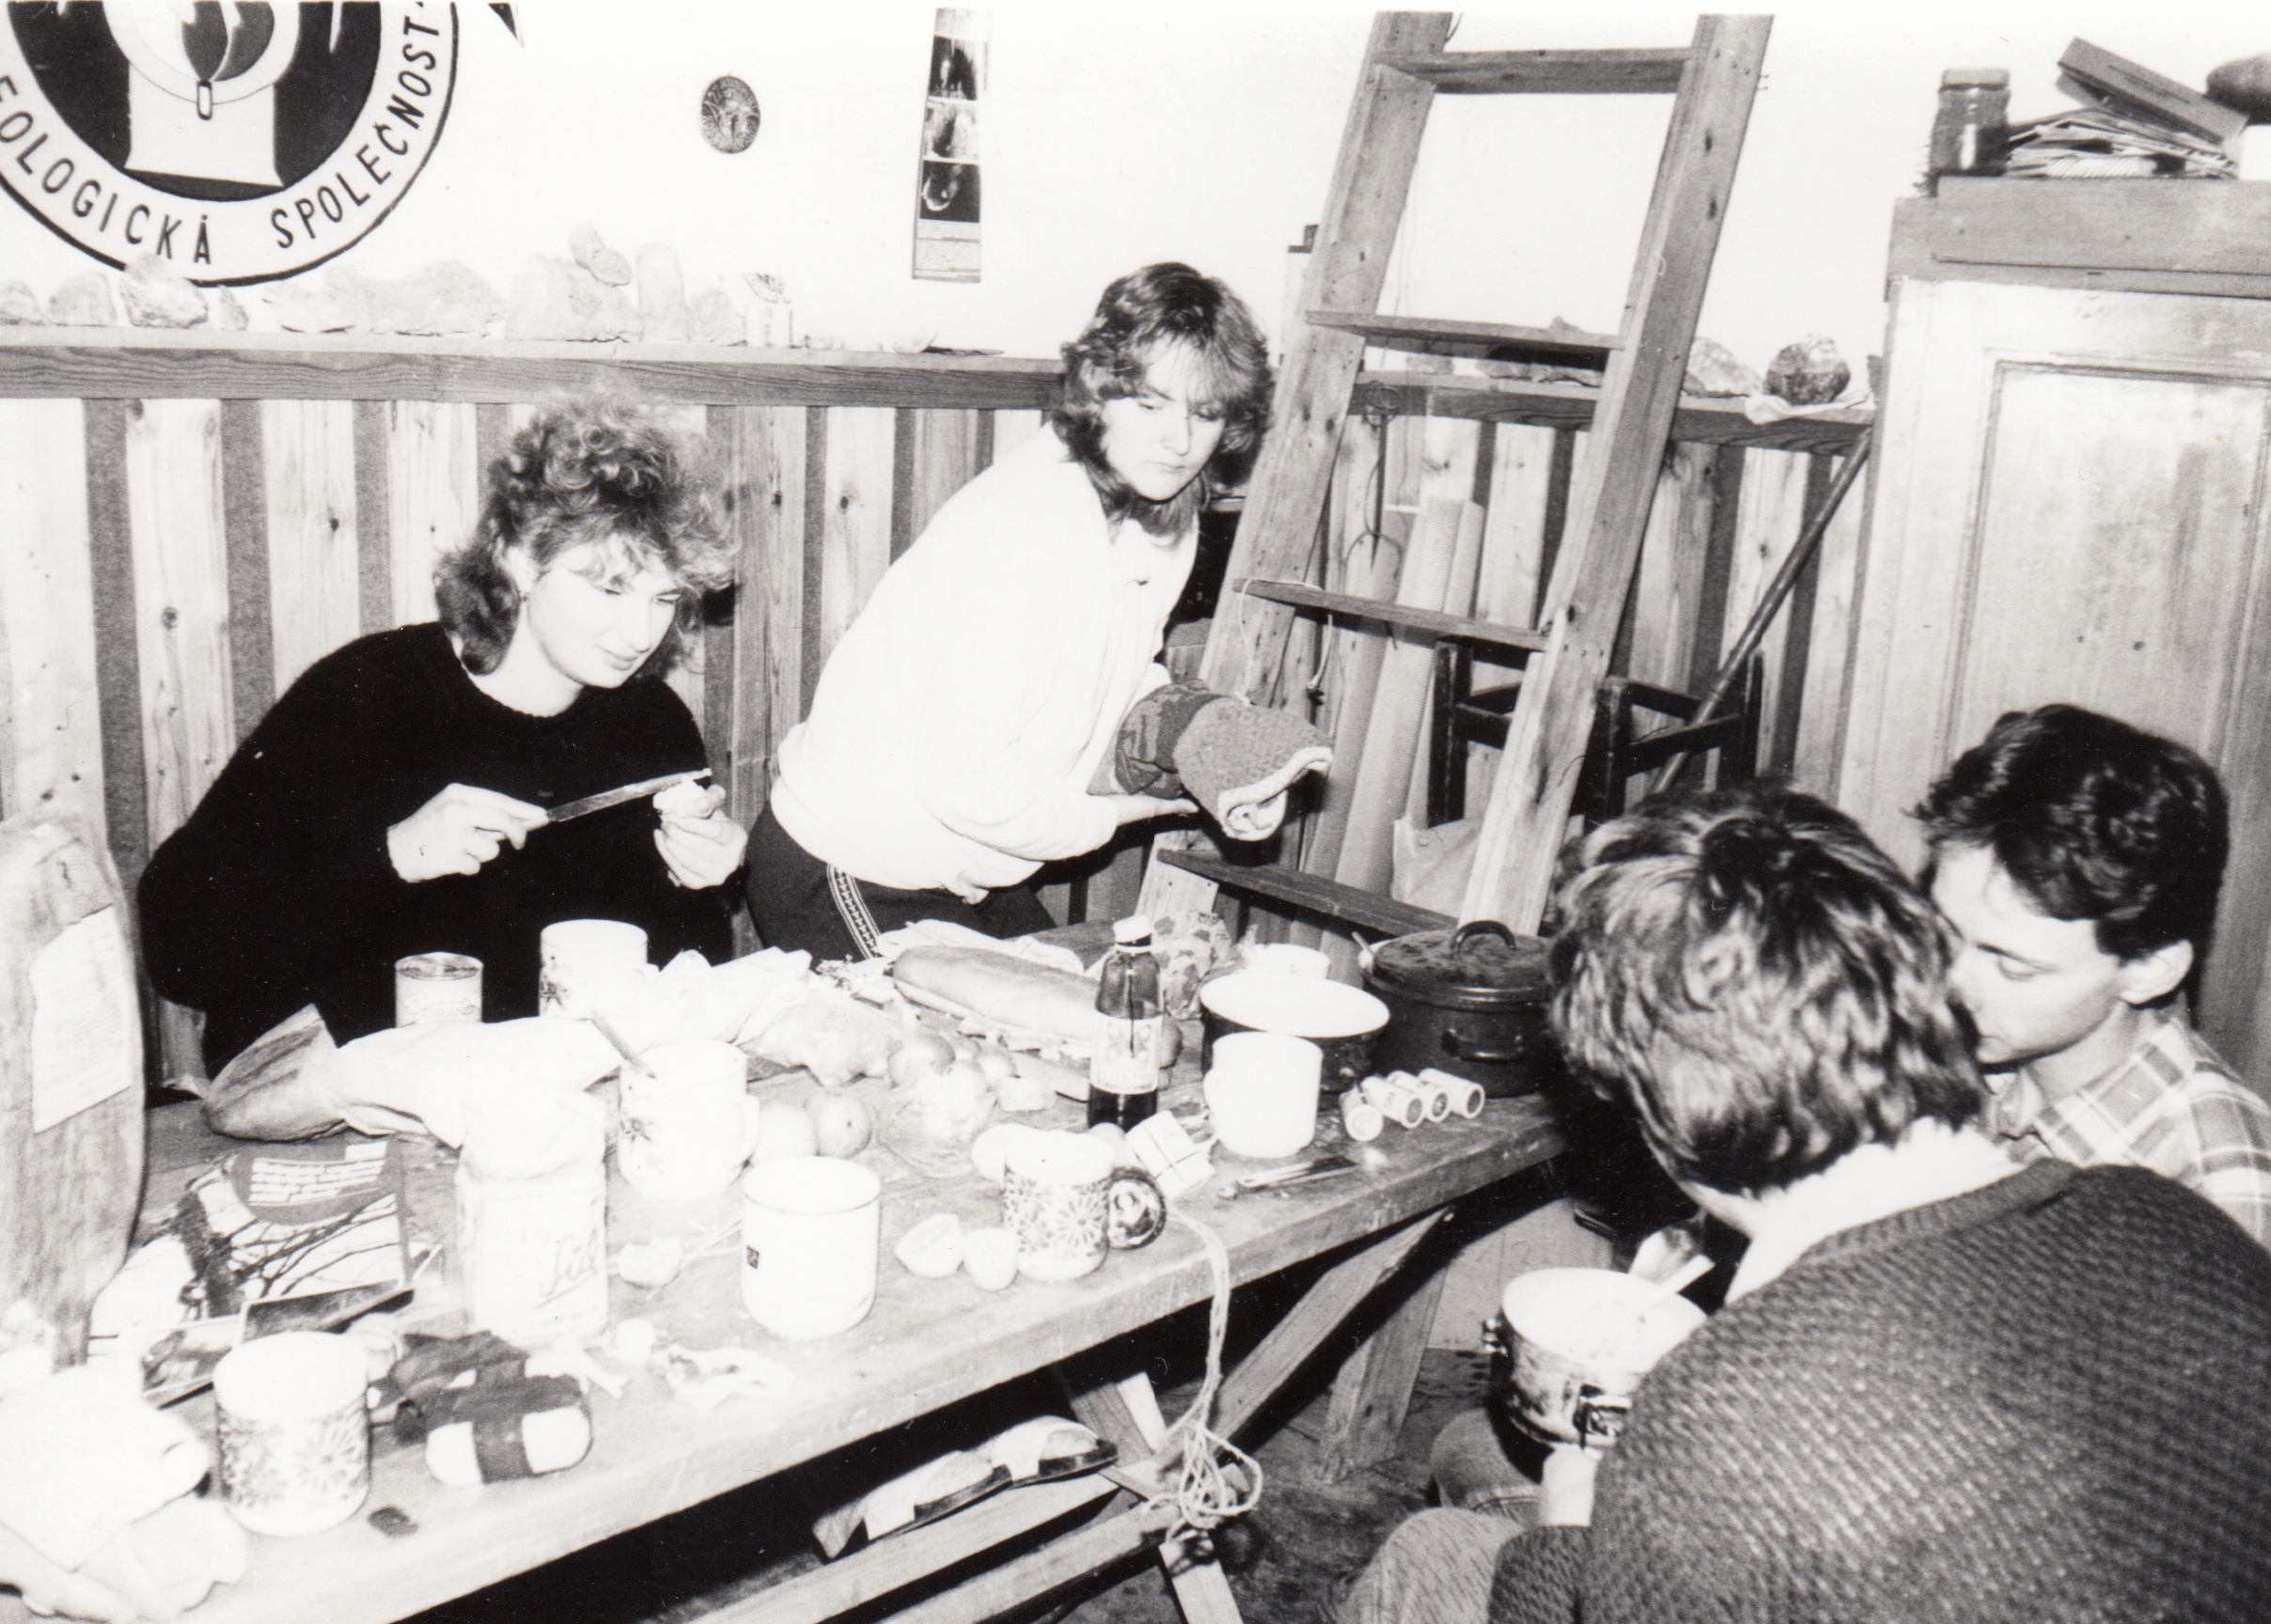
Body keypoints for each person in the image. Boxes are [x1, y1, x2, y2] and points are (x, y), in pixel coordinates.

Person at [1339, 784, 2271, 1624]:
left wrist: (1564, 1549)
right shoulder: (2164, 1215)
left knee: (1430, 1556)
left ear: (1662, 1120)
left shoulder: (1725, 1419)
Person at [140, 399, 746, 1073]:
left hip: (546, 1088)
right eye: (610, 589)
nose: (640, 634)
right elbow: (178, 949)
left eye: (665, 599)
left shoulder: (651, 723)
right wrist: (392, 857)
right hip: (350, 1092)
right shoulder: (366, 696)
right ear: (519, 560)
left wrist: (701, 881)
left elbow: (673, 984)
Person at [746, 261, 1277, 959]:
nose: (1180, 441)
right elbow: (966, 786)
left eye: (1205, 414)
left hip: (964, 863)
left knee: (1075, 1002)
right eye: (1151, 405)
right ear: (1099, 390)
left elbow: (1116, 670)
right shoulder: (1035, 526)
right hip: (850, 864)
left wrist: (1218, 758)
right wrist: (1124, 813)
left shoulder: (1163, 514)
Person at [1917, 704, 2271, 1247]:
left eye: (2012, 966)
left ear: (2149, 970)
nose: (1947, 984)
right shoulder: (1962, 1055)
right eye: (1941, 931)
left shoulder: (2219, 1198)